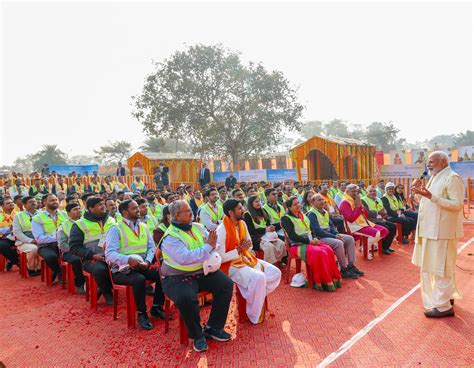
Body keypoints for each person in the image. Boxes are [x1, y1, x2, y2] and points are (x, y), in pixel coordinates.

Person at [160, 200, 234, 352]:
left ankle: (214, 327)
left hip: (201, 271)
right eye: (187, 211)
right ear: (177, 216)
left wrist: (214, 247)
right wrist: (209, 246)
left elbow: (212, 243)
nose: (192, 212)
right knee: (186, 298)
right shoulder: (170, 237)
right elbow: (185, 258)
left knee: (225, 284)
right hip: (177, 277)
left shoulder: (198, 227)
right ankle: (197, 335)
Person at [411, 151, 464, 318]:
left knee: (441, 268)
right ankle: (446, 297)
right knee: (434, 267)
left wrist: (431, 196)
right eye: (429, 161)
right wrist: (417, 192)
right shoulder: (435, 177)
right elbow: (426, 202)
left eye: (432, 161)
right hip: (430, 231)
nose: (429, 164)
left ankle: (442, 306)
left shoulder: (452, 177)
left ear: (442, 162)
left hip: (443, 232)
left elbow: (457, 205)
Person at [105, 199, 167, 330]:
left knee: (163, 273)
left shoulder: (143, 226)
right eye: (134, 208)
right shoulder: (115, 229)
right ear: (124, 212)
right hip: (122, 270)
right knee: (139, 280)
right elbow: (109, 254)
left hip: (142, 265)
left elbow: (152, 248)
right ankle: (142, 314)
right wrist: (128, 260)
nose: (138, 210)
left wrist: (148, 261)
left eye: (137, 208)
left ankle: (157, 307)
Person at [216, 199, 281, 324]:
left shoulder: (242, 224)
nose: (243, 210)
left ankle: (255, 296)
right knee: (259, 278)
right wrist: (239, 250)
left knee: (275, 273)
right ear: (231, 212)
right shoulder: (221, 230)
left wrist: (244, 248)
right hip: (230, 265)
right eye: (239, 209)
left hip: (246, 258)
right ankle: (253, 315)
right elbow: (220, 257)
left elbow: (249, 245)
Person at [281, 196, 342, 291]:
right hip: (297, 245)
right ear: (289, 207)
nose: (298, 205)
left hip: (310, 242)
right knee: (318, 252)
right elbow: (292, 236)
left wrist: (314, 238)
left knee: (328, 249)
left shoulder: (302, 215)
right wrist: (309, 241)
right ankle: (318, 282)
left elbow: (311, 230)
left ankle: (331, 280)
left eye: (298, 203)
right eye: (295, 204)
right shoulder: (286, 218)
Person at [69, 197, 115, 305]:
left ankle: (102, 288)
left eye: (103, 203)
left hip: (112, 255)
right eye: (99, 204)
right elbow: (74, 247)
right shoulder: (80, 224)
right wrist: (92, 255)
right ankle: (107, 293)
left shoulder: (111, 220)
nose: (103, 206)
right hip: (92, 258)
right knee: (100, 270)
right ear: (91, 208)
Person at [307, 194, 362, 278]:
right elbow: (317, 231)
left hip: (329, 235)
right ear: (312, 202)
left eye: (322, 199)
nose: (322, 201)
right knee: (339, 243)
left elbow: (331, 225)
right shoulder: (311, 214)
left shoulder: (324, 211)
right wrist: (334, 236)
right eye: (319, 200)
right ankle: (343, 269)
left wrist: (336, 234)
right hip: (319, 238)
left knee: (350, 239)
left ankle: (351, 265)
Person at [339, 184, 389, 258]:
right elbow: (351, 219)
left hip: (364, 222)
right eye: (353, 191)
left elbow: (366, 214)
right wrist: (358, 206)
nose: (355, 193)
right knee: (377, 233)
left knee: (384, 230)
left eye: (356, 191)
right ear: (347, 192)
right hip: (354, 226)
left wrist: (360, 206)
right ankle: (365, 250)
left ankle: (365, 246)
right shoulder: (344, 202)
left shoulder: (356, 199)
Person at [31, 194, 67, 283]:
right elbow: (39, 238)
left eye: (56, 200)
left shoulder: (65, 214)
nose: (55, 202)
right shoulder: (37, 218)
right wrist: (58, 238)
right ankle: (59, 271)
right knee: (51, 257)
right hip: (46, 245)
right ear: (44, 203)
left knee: (75, 255)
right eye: (52, 200)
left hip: (63, 243)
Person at [244, 195, 286, 265]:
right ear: (251, 204)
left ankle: (280, 261)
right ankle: (270, 265)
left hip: (268, 236)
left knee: (281, 244)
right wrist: (266, 230)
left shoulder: (263, 212)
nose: (259, 203)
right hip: (255, 238)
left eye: (259, 201)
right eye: (256, 202)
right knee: (269, 247)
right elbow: (251, 231)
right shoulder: (247, 215)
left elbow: (268, 224)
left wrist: (271, 227)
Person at [57, 203, 86, 294]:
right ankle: (80, 284)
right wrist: (76, 250)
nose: (79, 210)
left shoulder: (86, 222)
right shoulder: (63, 226)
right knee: (77, 260)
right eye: (75, 209)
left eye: (79, 208)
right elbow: (62, 245)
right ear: (68, 213)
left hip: (85, 248)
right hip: (70, 252)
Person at [362, 185, 396, 254]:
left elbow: (383, 209)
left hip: (380, 219)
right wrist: (378, 212)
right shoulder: (363, 200)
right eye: (370, 191)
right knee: (386, 228)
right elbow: (367, 213)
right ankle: (383, 247)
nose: (372, 192)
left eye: (374, 191)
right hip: (371, 220)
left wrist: (385, 212)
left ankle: (386, 247)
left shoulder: (378, 199)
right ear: (366, 192)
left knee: (393, 226)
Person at [12, 196, 41, 276]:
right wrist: (30, 240)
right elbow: (17, 232)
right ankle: (31, 268)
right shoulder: (18, 216)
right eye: (30, 202)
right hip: (24, 241)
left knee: (44, 247)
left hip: (40, 239)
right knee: (34, 248)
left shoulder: (42, 214)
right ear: (24, 205)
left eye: (35, 201)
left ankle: (40, 267)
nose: (34, 203)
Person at [0, 197, 19, 271]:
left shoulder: (19, 214)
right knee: (2, 246)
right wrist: (9, 229)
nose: (11, 204)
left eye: (12, 202)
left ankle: (10, 260)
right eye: (8, 203)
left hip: (19, 236)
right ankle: (17, 261)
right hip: (4, 238)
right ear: (2, 206)